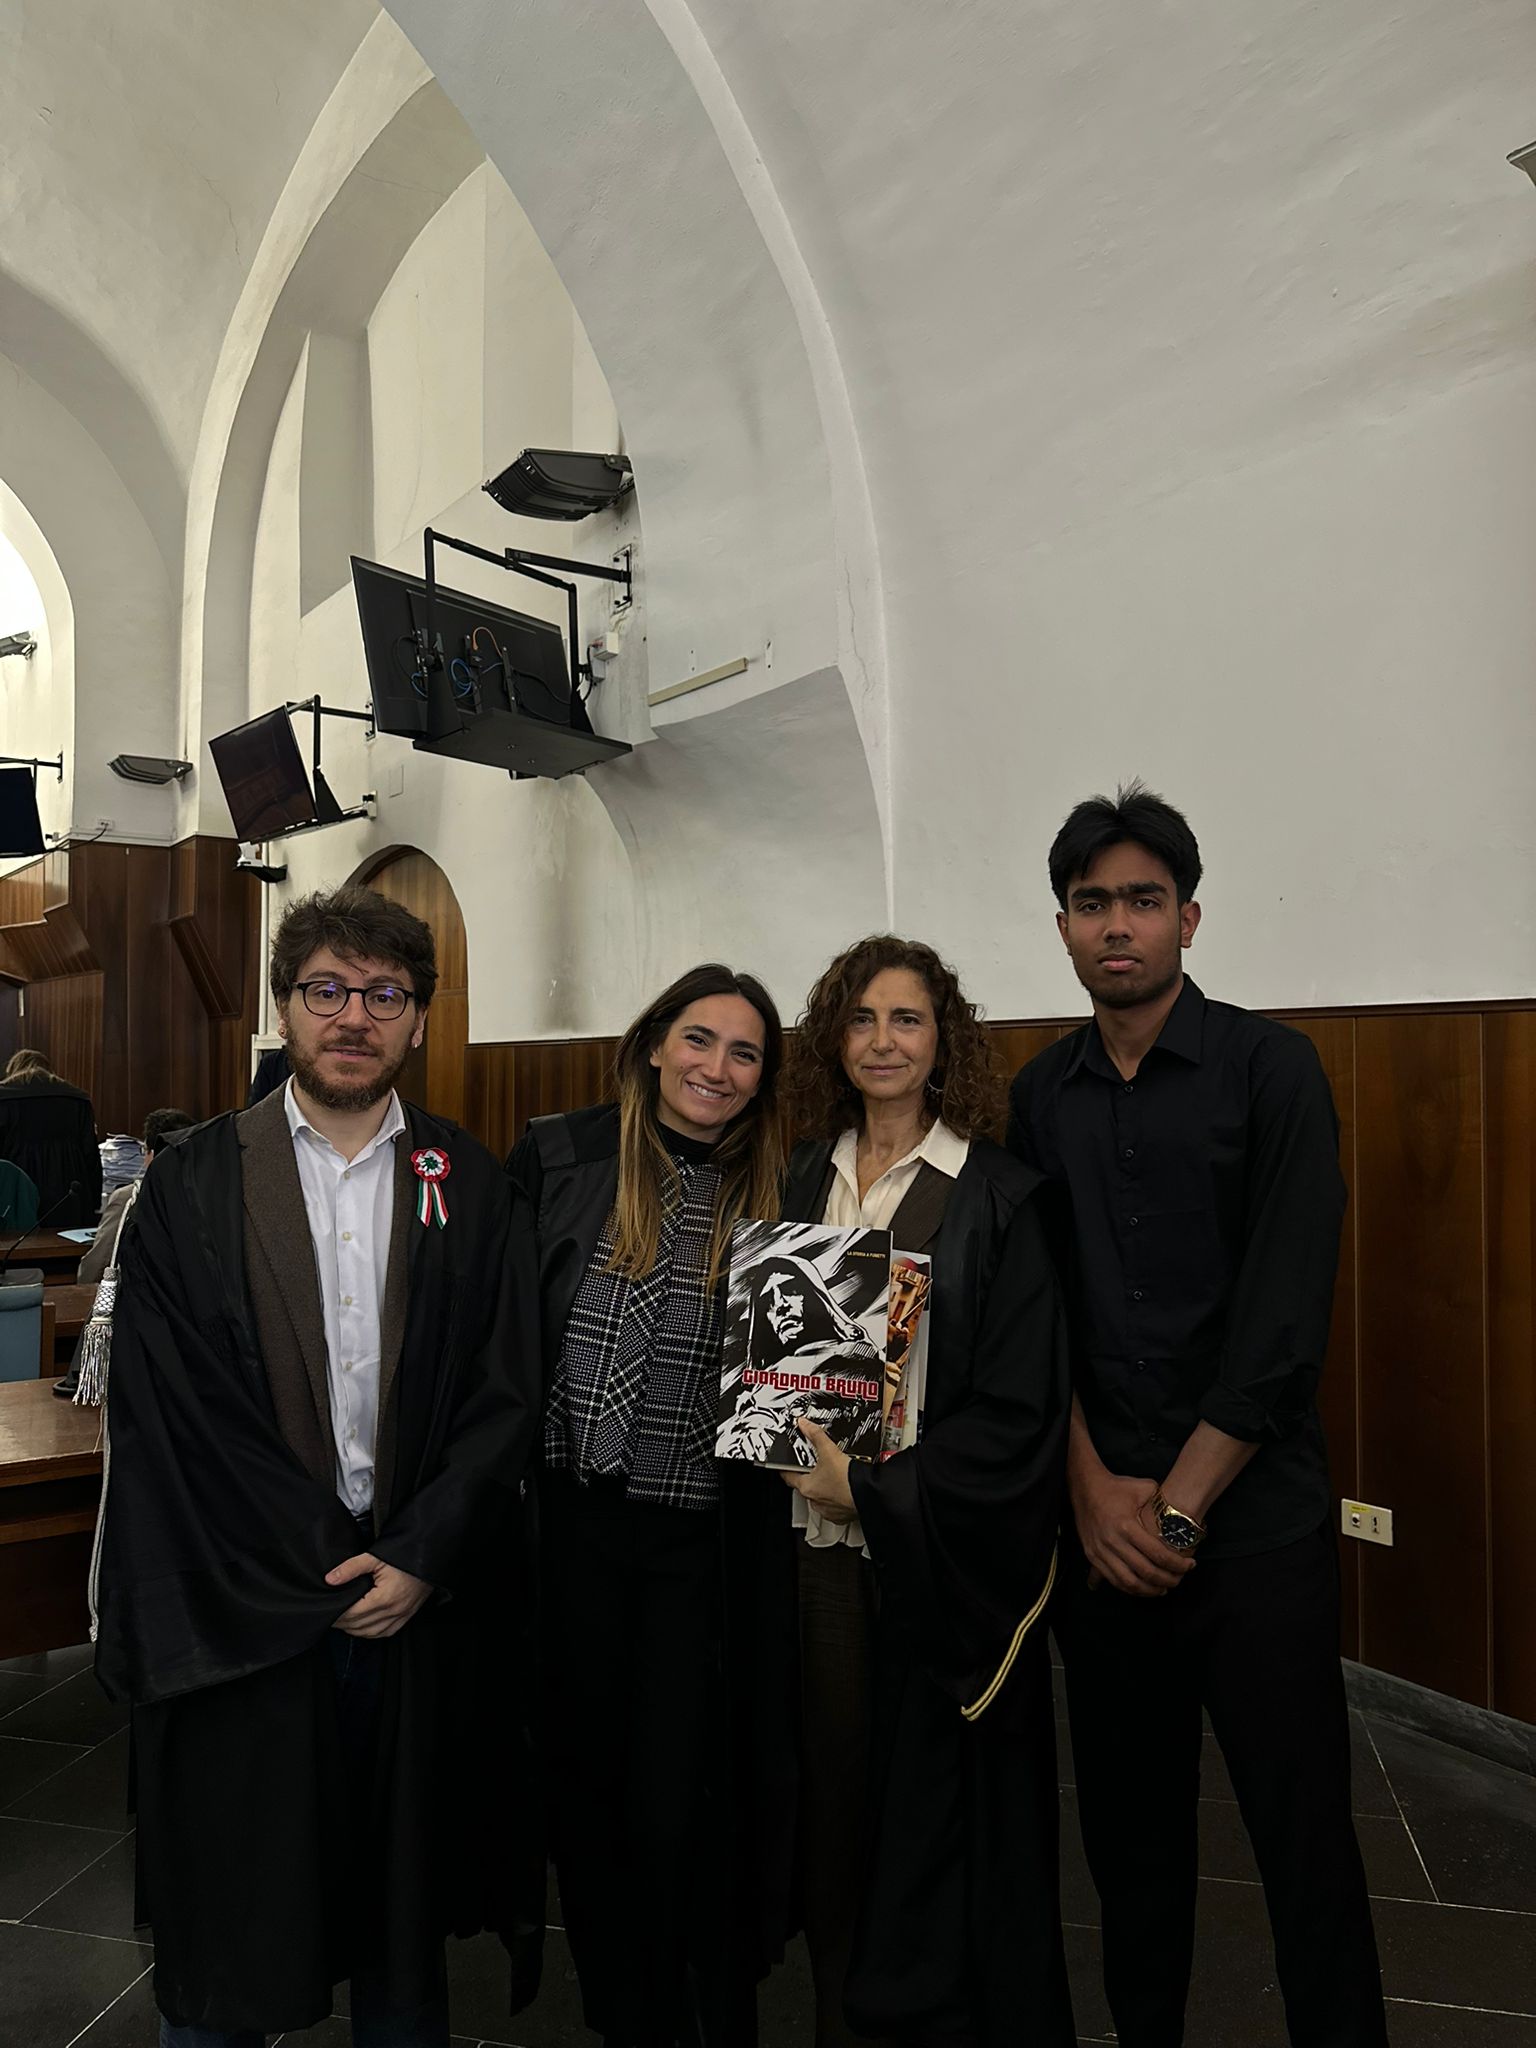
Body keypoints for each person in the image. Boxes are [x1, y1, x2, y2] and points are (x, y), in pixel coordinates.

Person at [90, 885, 543, 2046]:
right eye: (327, 989)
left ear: (421, 1020)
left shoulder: (465, 1180)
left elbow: (504, 1391)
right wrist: (321, 1565)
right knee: (233, 1924)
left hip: (411, 1612)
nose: (355, 1016)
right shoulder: (191, 1183)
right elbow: (176, 1413)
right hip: (243, 1607)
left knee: (401, 1928)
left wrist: (421, 1554)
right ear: (285, 1008)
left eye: (386, 995)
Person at [1007, 783, 1388, 2048]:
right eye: (1092, 902)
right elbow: (1034, 1319)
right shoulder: (1038, 1095)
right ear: (1063, 925)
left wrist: (1174, 1506)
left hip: (1255, 1525)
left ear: (1190, 917)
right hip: (1102, 1528)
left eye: (1143, 899)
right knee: (1130, 1849)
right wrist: (1091, 1491)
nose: (1117, 924)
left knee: (1305, 1842)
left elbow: (1283, 1325)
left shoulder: (1272, 1069)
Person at [779, 935, 1074, 2048]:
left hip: (925, 1556)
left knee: (924, 1816)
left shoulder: (997, 1197)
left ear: (942, 1039)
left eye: (907, 1018)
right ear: (833, 1038)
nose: (883, 1040)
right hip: (801, 1550)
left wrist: (871, 1490)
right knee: (828, 1801)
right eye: (861, 1018)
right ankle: (836, 2014)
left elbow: (1018, 1408)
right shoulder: (801, 1178)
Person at [507, 964, 791, 2048]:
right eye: (699, 1038)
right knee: (581, 1783)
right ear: (655, 1042)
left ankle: (682, 1992)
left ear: (763, 1078)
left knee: (674, 1793)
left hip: (698, 1544)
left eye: (744, 1052)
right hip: (572, 1526)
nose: (716, 1066)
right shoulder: (562, 1155)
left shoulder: (781, 1192)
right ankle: (620, 2006)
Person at [52, 1109, 197, 1400]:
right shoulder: (207, 1201)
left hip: (136, 1337)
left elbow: (95, 1267)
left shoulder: (129, 1198)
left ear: (148, 1153)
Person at [0, 1047, 101, 1224]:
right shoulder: (76, 1098)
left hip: (17, 1191)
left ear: (12, 1070)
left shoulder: (4, 1099)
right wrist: (93, 1201)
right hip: (68, 1188)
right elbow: (90, 1154)